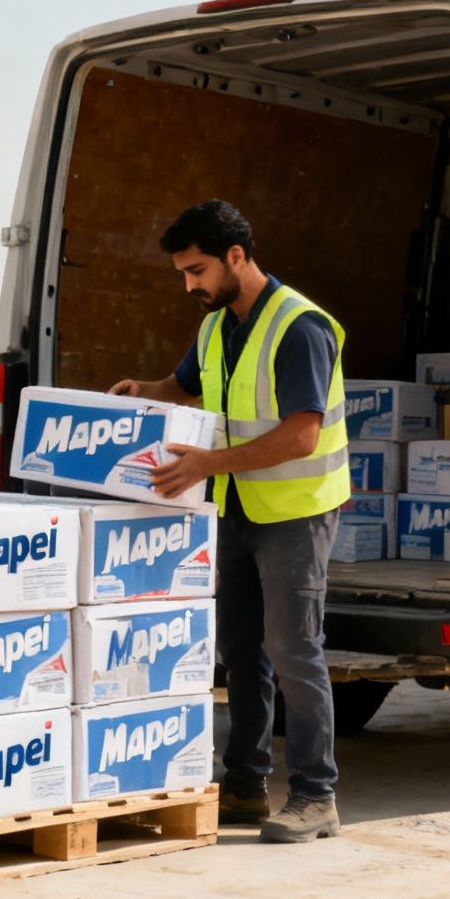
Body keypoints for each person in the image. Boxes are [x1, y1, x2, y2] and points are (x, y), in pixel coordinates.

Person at [110, 199, 349, 843]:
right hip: (238, 507)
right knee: (241, 653)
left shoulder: (300, 327)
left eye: (197, 270)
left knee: (294, 649)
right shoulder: (218, 325)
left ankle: (314, 795)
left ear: (236, 257)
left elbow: (302, 435)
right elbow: (184, 385)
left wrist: (209, 462)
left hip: (296, 513)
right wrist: (143, 390)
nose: (189, 284)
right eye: (183, 273)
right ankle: (244, 785)